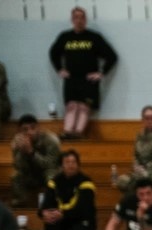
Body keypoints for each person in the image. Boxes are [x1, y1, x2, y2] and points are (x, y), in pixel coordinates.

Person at [48, 6, 118, 140]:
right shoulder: (65, 37)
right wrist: (59, 69)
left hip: (88, 80)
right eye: (76, 17)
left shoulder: (94, 38)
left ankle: (78, 134)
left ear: (85, 20)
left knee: (84, 107)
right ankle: (67, 132)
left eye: (82, 17)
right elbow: (53, 53)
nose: (79, 20)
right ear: (72, 19)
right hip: (71, 79)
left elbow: (112, 56)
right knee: (71, 106)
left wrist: (101, 73)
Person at [38, 149, 96, 230]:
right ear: (61, 166)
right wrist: (43, 213)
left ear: (78, 165)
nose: (70, 165)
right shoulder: (54, 182)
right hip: (63, 221)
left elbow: (83, 209)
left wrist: (63, 214)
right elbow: (45, 204)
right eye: (67, 162)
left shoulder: (86, 182)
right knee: (51, 219)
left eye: (73, 162)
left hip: (82, 222)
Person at [114, 105, 152, 196]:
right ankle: (136, 202)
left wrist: (146, 167)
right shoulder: (140, 136)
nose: (150, 120)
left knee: (143, 179)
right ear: (142, 120)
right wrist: (137, 166)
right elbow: (136, 156)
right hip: (142, 172)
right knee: (122, 181)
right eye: (147, 118)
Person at [10, 114, 62, 207]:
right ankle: (21, 203)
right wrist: (21, 152)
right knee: (16, 175)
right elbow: (18, 166)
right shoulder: (17, 142)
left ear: (38, 128)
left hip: (47, 172)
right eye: (25, 130)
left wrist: (31, 152)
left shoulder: (51, 140)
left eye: (32, 128)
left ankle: (52, 203)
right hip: (31, 174)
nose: (30, 132)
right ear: (20, 132)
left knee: (52, 176)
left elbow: (50, 164)